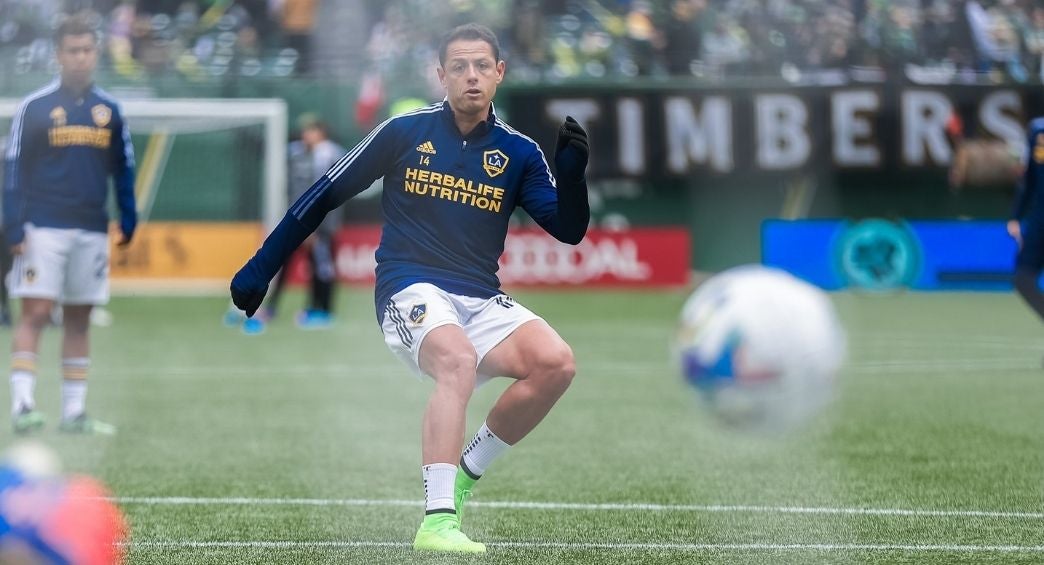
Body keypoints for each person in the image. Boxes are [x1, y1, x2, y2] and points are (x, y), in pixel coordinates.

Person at [231, 23, 589, 553]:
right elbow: (325, 192)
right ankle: (438, 521)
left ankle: (466, 476)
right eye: (460, 67)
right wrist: (262, 265)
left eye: (482, 66)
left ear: (500, 73)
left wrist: (573, 176)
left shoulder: (519, 153)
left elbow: (569, 229)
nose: (472, 76)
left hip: (479, 296)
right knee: (458, 360)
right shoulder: (403, 130)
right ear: (440, 75)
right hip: (409, 286)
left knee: (557, 363)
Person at [3, 14, 137, 435]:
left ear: (95, 53)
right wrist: (12, 223)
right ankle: (23, 406)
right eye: (72, 51)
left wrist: (128, 215)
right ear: (59, 56)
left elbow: (123, 168)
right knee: (37, 311)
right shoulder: (36, 107)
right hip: (43, 225)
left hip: (92, 228)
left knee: (80, 317)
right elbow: (13, 169)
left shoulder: (109, 111)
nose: (80, 58)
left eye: (87, 50)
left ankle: (74, 413)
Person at [253, 114, 346, 332]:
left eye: (311, 131)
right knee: (282, 264)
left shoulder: (331, 154)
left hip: (321, 225)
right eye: (305, 131)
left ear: (320, 133)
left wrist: (317, 226)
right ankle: (273, 307)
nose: (306, 135)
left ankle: (323, 311)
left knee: (322, 268)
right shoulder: (297, 152)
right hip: (297, 222)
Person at [1010, 117, 1044, 335]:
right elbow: (1029, 179)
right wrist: (1015, 217)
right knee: (1023, 278)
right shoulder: (1037, 130)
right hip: (1040, 218)